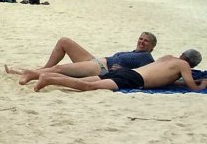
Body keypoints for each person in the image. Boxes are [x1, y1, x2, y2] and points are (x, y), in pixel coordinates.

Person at [5, 32, 156, 85]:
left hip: (101, 69)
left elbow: (144, 74)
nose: (142, 42)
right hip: (96, 60)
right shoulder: (135, 52)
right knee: (64, 41)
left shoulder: (146, 57)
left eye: (146, 41)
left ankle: (29, 74)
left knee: (60, 69)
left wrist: (122, 70)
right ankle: (40, 70)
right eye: (141, 39)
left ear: (151, 47)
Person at [34, 50, 205, 92]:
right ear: (192, 65)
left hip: (129, 73)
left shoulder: (168, 58)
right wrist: (202, 84)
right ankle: (49, 79)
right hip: (134, 80)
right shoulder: (183, 66)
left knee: (90, 81)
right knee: (88, 87)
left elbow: (165, 78)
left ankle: (47, 75)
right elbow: (191, 86)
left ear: (182, 54)